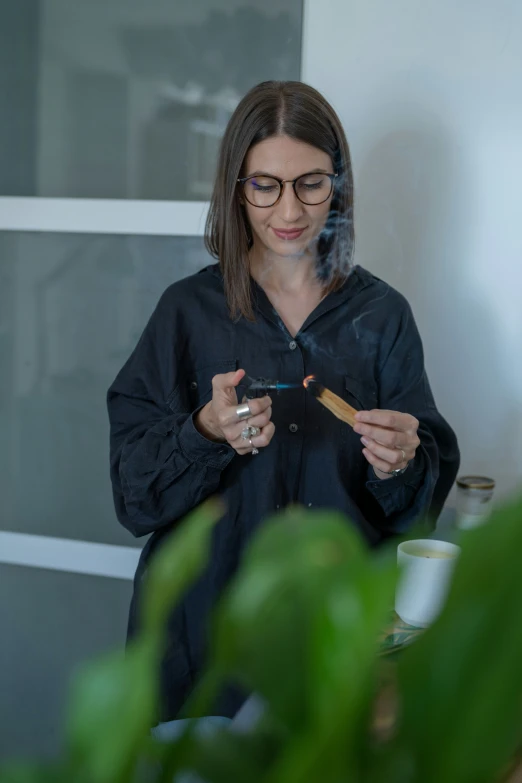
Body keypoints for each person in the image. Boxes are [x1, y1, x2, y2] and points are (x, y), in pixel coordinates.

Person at [107, 80, 460, 725]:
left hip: (333, 640)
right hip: (201, 641)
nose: (289, 209)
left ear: (339, 183)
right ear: (236, 187)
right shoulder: (186, 313)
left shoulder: (383, 318)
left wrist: (400, 462)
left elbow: (416, 515)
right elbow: (132, 496)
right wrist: (203, 434)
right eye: (264, 184)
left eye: (311, 183)